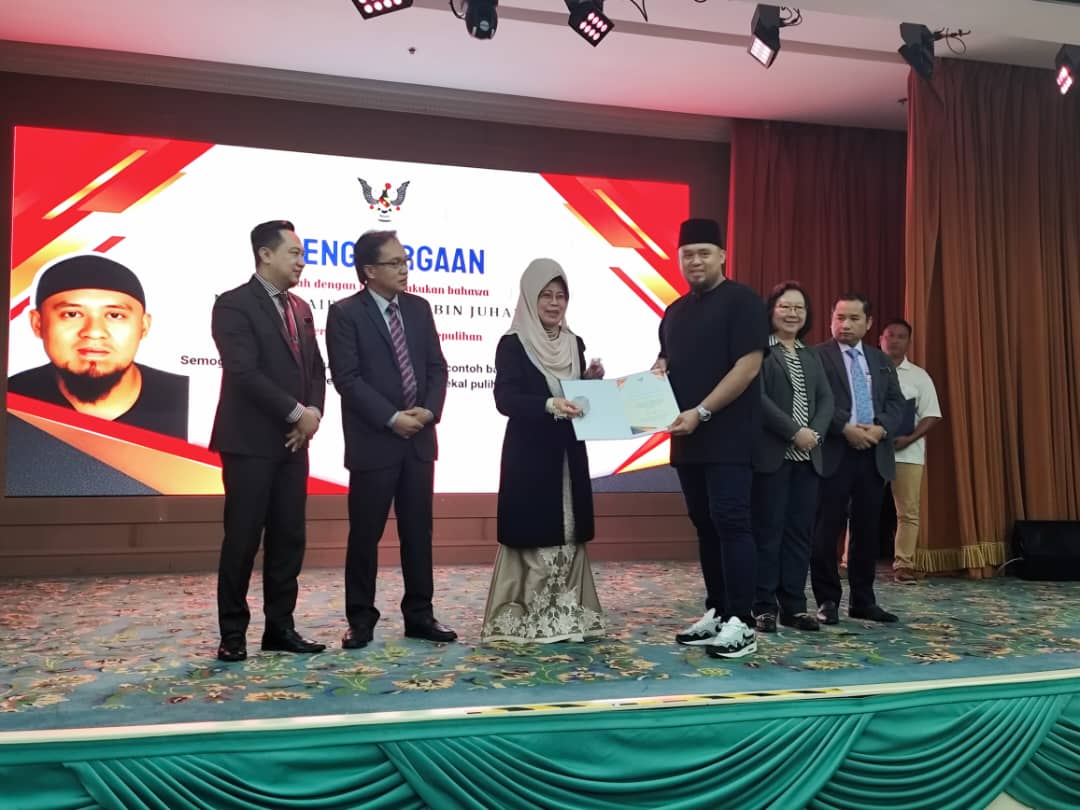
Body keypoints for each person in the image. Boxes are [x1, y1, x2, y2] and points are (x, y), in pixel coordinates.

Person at [326, 229, 455, 649]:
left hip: (419, 441)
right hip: (374, 443)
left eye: (405, 261)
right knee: (365, 536)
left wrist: (429, 411)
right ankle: (360, 620)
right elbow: (347, 379)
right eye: (395, 263)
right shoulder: (345, 313)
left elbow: (437, 367)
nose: (404, 269)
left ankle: (420, 615)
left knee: (418, 533)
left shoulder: (419, 308)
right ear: (369, 270)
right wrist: (391, 418)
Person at [210, 220, 327, 662]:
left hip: (294, 445)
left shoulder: (301, 308)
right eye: (294, 253)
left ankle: (281, 628)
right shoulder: (233, 305)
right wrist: (296, 413)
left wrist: (312, 414)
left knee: (288, 538)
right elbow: (243, 372)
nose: (302, 262)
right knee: (242, 540)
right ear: (265, 254)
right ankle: (233, 633)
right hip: (249, 443)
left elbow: (316, 369)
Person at [658, 218, 767, 659]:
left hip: (729, 436)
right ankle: (719, 611)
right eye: (688, 254)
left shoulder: (744, 302)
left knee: (732, 522)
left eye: (704, 253)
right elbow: (665, 364)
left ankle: (743, 622)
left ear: (722, 255)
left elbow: (748, 367)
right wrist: (652, 381)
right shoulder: (674, 311)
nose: (695, 261)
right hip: (688, 438)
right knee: (704, 525)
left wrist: (702, 411)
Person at [481, 259, 606, 643]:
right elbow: (505, 399)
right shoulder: (513, 343)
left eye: (561, 296)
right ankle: (529, 619)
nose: (554, 303)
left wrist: (590, 382)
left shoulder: (574, 343)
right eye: (546, 296)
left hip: (568, 454)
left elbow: (575, 396)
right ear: (529, 298)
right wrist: (548, 405)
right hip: (530, 456)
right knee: (535, 532)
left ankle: (566, 617)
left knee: (569, 530)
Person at [9, 253, 188, 438]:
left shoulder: (192, 402)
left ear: (143, 326)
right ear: (38, 323)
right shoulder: (11, 396)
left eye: (115, 315)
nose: (94, 332)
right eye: (72, 314)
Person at [810, 293, 905, 625]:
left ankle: (863, 600)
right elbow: (814, 401)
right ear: (831, 320)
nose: (845, 325)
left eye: (853, 319)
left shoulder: (880, 360)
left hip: (873, 455)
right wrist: (844, 428)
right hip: (834, 453)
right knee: (826, 531)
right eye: (840, 318)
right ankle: (827, 600)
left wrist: (881, 428)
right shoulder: (817, 356)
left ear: (868, 323)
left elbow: (896, 403)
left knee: (866, 531)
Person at [752, 282, 833, 633]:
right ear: (772, 310)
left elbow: (827, 399)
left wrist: (814, 433)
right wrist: (793, 432)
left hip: (808, 458)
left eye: (799, 308)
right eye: (785, 306)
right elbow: (758, 399)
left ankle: (795, 607)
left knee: (800, 534)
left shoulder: (811, 355)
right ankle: (763, 607)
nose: (792, 313)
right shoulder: (760, 352)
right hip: (773, 455)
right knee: (768, 532)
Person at [879, 319, 942, 583]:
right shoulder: (866, 372)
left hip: (908, 453)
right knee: (859, 507)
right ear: (881, 339)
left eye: (901, 336)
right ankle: (850, 561)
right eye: (890, 335)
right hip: (870, 451)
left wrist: (910, 438)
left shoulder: (919, 376)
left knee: (907, 512)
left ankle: (903, 565)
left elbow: (932, 415)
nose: (894, 340)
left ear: (909, 342)